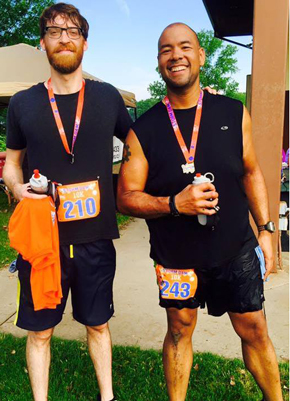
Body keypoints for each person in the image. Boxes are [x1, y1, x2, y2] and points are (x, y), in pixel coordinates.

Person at [116, 23, 283, 401]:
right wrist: (175, 204)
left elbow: (252, 171)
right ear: (159, 63)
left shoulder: (232, 111)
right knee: (179, 329)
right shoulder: (143, 130)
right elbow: (125, 197)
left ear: (201, 55)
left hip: (235, 248)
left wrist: (268, 229)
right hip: (176, 257)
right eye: (166, 50)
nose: (176, 55)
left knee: (254, 327)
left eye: (185, 47)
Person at [3, 3, 132, 401]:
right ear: (43, 43)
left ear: (85, 43)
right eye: (55, 31)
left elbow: (144, 143)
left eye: (73, 31)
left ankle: (106, 396)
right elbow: (12, 164)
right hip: (44, 240)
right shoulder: (23, 103)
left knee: (98, 324)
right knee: (40, 330)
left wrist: (198, 100)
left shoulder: (108, 97)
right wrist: (15, 187)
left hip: (95, 238)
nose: (64, 38)